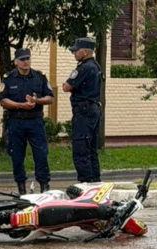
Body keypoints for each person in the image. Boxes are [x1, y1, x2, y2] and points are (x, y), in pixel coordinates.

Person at [0, 49, 54, 195]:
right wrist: (21, 105)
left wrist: (37, 100)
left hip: (35, 121)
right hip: (16, 121)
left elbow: (50, 98)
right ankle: (21, 187)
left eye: (27, 58)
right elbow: (2, 100)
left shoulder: (39, 77)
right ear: (16, 62)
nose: (25, 62)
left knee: (41, 154)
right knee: (16, 155)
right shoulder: (9, 78)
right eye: (22, 59)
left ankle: (44, 186)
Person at [62, 37, 103, 183]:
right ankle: (95, 181)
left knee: (81, 149)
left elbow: (66, 87)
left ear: (85, 52)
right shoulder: (96, 66)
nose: (74, 53)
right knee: (91, 150)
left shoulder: (84, 68)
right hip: (93, 109)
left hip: (83, 112)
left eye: (76, 51)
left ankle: (86, 182)